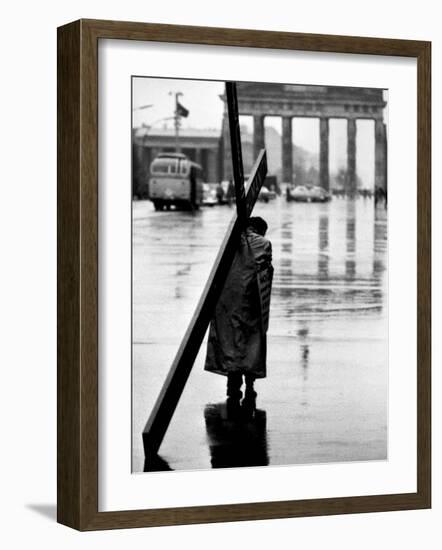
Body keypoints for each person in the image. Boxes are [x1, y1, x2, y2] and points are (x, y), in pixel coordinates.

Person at [204, 216, 273, 414]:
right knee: (252, 342)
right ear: (261, 230)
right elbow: (265, 272)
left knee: (231, 342)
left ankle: (232, 387)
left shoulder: (230, 241)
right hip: (252, 303)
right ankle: (250, 384)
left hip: (227, 301)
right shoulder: (263, 244)